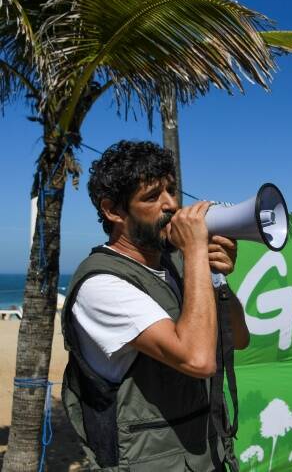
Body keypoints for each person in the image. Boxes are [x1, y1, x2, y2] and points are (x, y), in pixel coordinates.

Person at [61, 140, 250, 471]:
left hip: (208, 454)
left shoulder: (179, 264)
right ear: (113, 210)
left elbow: (239, 339)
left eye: (172, 191)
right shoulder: (100, 285)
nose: (172, 206)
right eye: (152, 197)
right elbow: (198, 359)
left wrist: (217, 277)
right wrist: (195, 254)